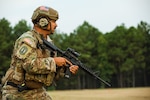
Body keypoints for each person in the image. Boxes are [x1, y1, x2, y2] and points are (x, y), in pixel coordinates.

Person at [1, 6, 79, 100]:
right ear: (43, 22)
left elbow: (48, 71)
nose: (56, 25)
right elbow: (28, 65)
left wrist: (64, 69)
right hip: (17, 92)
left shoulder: (48, 43)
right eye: (54, 21)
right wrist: (54, 62)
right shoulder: (28, 40)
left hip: (37, 91)